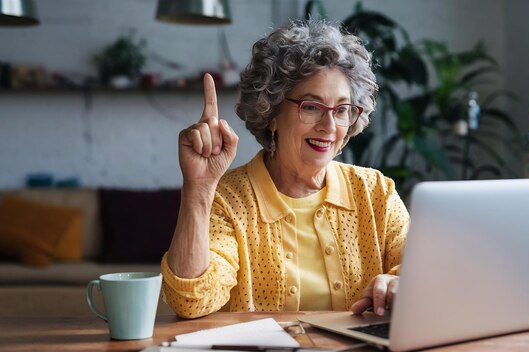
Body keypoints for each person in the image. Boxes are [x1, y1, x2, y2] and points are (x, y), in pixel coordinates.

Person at [161, 20, 409, 319]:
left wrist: (401, 282)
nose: (329, 127)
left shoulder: (376, 192)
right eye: (311, 106)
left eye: (342, 110)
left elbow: (424, 268)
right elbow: (191, 301)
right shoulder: (228, 200)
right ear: (271, 113)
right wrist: (199, 190)